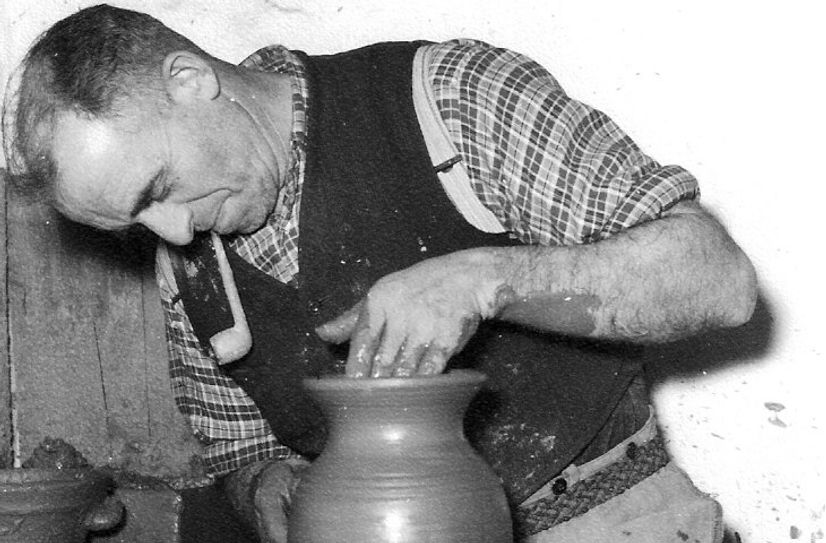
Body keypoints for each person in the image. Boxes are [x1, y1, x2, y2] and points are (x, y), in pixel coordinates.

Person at [2, 5, 757, 542]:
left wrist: (483, 278)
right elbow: (238, 446)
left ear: (192, 79)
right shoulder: (190, 266)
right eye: (132, 225)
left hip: (611, 519)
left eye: (157, 188)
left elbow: (718, 282)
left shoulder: (449, 101)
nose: (169, 231)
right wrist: (263, 488)